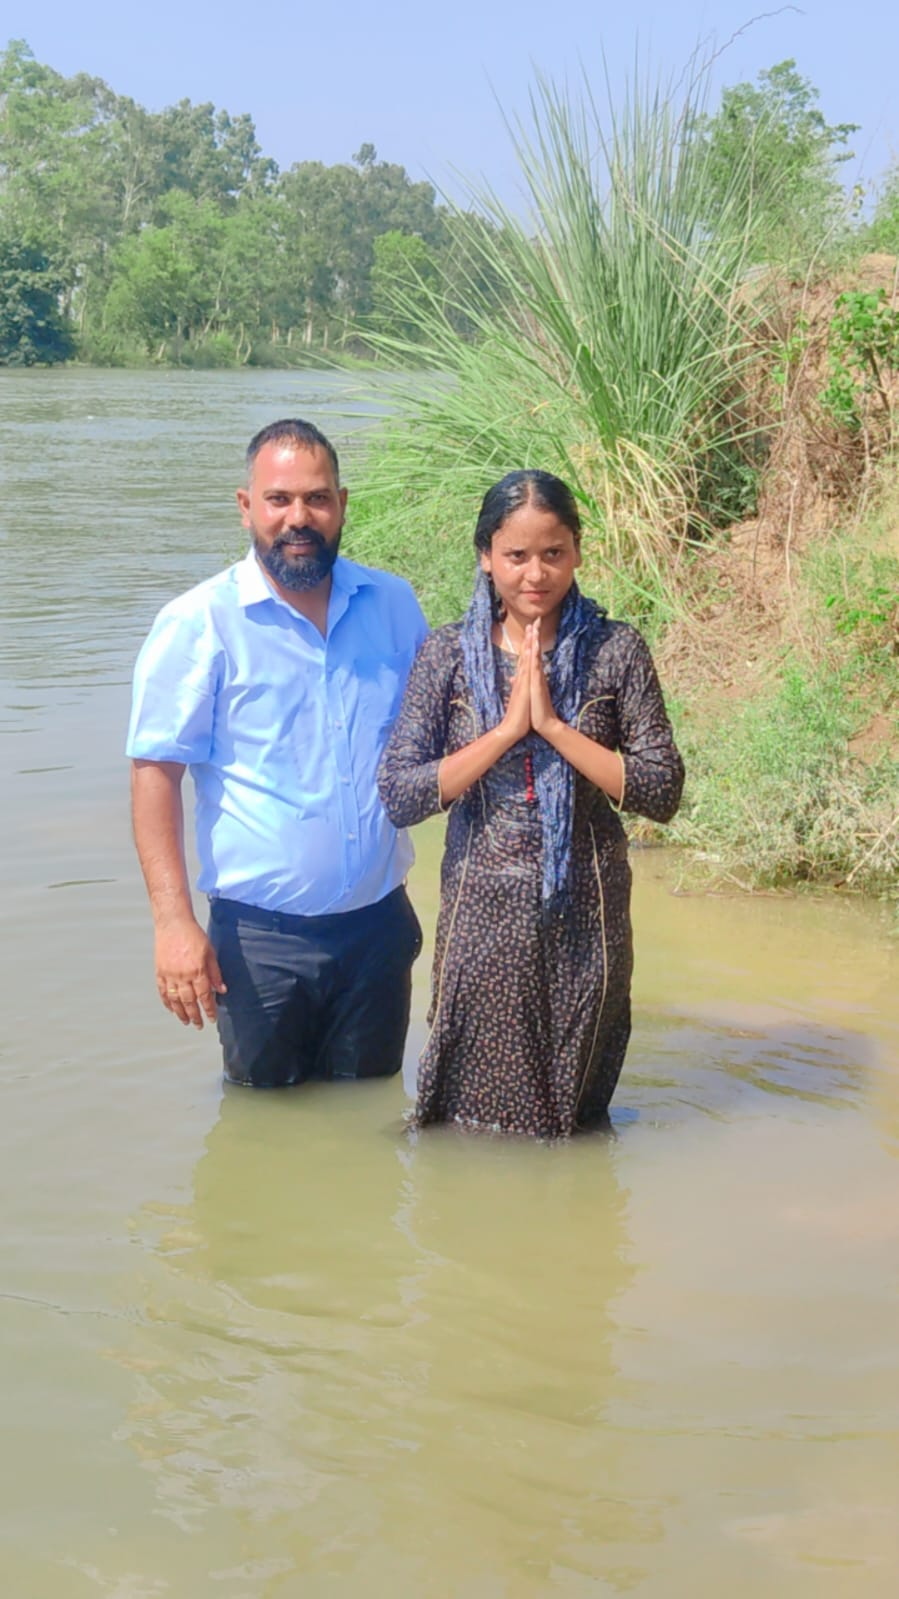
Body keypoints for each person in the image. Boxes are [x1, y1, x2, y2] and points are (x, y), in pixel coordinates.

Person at [378, 469, 684, 1138]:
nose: (535, 574)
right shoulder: (447, 658)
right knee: (469, 1120)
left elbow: (661, 790)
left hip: (587, 915)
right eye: (515, 556)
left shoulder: (615, 652)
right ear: (485, 556)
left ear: (576, 550)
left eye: (553, 552)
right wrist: (504, 733)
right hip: (480, 918)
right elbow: (398, 793)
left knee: (572, 1115)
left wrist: (552, 728)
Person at [127, 418, 429, 1087]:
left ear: (342, 505)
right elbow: (155, 774)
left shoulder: (393, 605)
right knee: (262, 1135)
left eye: (317, 499)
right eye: (279, 499)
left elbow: (443, 739)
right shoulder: (199, 622)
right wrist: (173, 924)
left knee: (370, 1121)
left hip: (378, 928)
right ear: (246, 508)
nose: (299, 517)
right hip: (259, 946)